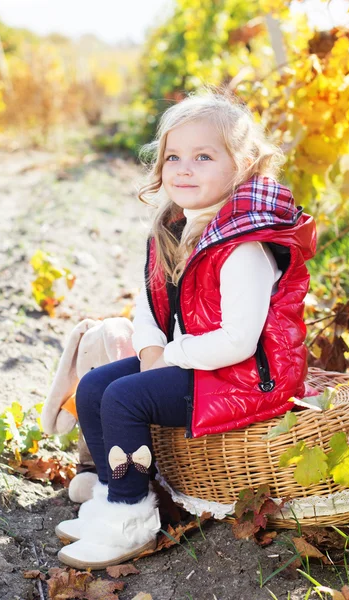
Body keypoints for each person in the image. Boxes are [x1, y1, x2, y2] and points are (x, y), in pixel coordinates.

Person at [55, 86, 316, 570]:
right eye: (174, 156)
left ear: (242, 166)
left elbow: (240, 340)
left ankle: (130, 521)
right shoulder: (175, 228)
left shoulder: (243, 247)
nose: (184, 168)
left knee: (125, 397)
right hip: (199, 357)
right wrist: (152, 348)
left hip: (247, 375)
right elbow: (151, 306)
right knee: (95, 385)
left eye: (203, 156)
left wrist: (169, 357)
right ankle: (117, 492)